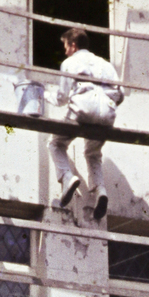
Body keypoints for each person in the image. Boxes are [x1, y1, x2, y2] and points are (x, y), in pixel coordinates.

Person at [49, 27, 123, 221]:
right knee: (93, 153)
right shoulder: (106, 64)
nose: (66, 52)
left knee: (56, 143)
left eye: (66, 47)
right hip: (106, 115)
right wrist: (104, 106)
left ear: (73, 45)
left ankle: (67, 178)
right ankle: (101, 191)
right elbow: (120, 94)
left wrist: (45, 95)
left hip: (82, 111)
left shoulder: (69, 63)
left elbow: (62, 98)